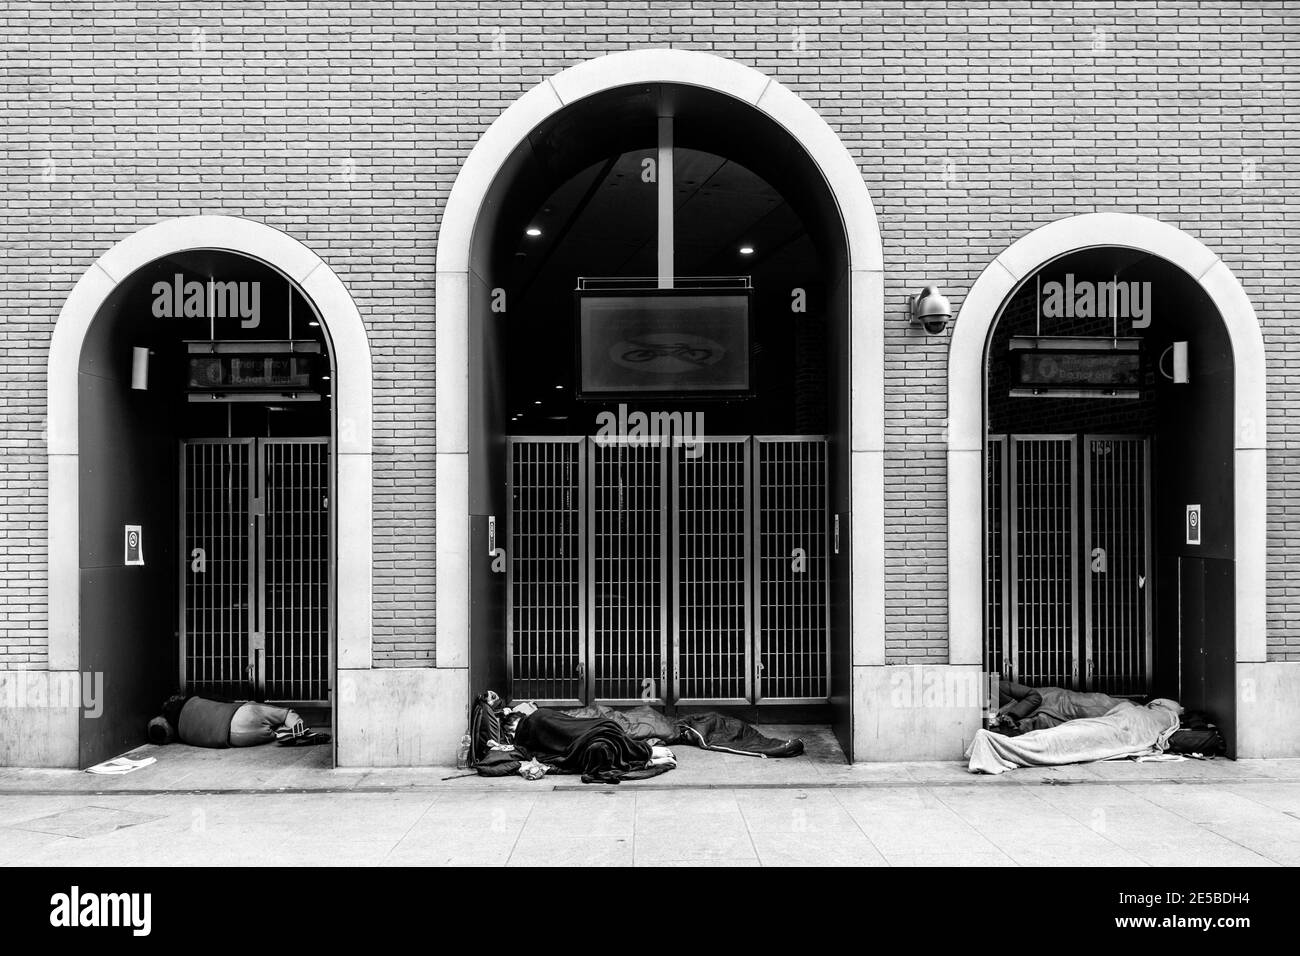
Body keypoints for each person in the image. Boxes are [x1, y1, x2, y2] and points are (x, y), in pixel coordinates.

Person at [148, 694, 329, 748]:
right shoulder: (194, 701)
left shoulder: (180, 734)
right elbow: (225, 701)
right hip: (241, 715)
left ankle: (280, 733)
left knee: (271, 731)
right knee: (285, 713)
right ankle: (301, 730)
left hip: (234, 739)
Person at [990, 680, 1124, 736]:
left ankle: (1136, 707)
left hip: (1057, 701)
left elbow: (1034, 697)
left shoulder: (995, 687)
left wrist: (1011, 716)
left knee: (1097, 706)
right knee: (1098, 721)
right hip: (1048, 716)